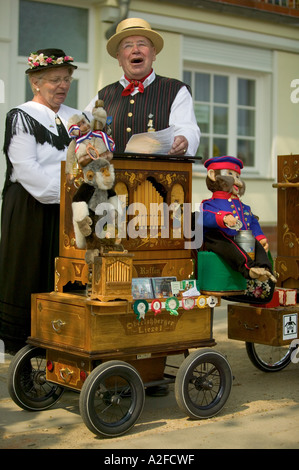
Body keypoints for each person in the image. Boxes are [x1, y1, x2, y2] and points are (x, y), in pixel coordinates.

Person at [0, 48, 81, 354]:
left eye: (66, 79)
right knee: (30, 270)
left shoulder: (76, 117)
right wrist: (66, 195)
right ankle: (23, 345)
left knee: (62, 273)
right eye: (54, 80)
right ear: (35, 82)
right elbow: (26, 168)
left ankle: (61, 339)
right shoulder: (21, 116)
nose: (62, 86)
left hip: (69, 205)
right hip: (31, 205)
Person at [85, 17, 200, 156]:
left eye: (142, 44)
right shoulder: (103, 95)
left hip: (157, 176)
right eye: (127, 45)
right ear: (119, 58)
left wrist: (184, 141)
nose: (135, 50)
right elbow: (84, 132)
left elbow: (187, 129)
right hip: (114, 176)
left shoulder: (176, 90)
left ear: (153, 54)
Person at [200, 156, 276, 282]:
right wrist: (222, 217)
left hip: (240, 237)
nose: (237, 181)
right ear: (213, 175)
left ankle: (265, 269)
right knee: (228, 244)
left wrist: (260, 237)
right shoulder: (209, 204)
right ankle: (249, 269)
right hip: (220, 240)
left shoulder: (244, 207)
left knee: (254, 242)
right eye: (230, 174)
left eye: (238, 176)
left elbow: (252, 222)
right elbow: (205, 216)